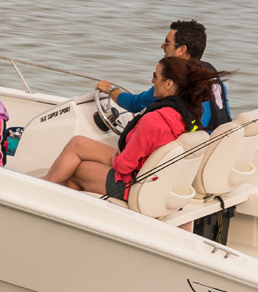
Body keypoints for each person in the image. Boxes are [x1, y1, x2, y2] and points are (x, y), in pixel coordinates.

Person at [46, 57, 222, 197]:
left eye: (155, 75)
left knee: (77, 171)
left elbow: (124, 166)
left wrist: (118, 156)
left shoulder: (155, 120)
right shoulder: (184, 113)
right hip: (153, 177)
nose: (152, 80)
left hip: (134, 184)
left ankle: (43, 194)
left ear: (169, 83)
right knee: (77, 143)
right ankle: (46, 187)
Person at [96, 19, 230, 129]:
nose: (162, 46)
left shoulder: (176, 79)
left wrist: (110, 89)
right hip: (218, 143)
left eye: (167, 43)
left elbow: (135, 104)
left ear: (182, 50)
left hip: (195, 149)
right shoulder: (211, 72)